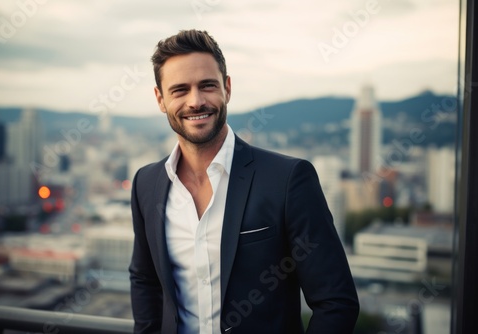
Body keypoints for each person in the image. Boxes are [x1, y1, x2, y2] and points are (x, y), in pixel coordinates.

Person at [129, 29, 359, 334]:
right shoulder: (146, 183)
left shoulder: (288, 179)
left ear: (227, 88)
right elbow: (144, 279)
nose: (196, 101)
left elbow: (336, 302)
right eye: (180, 90)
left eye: (207, 86)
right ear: (160, 99)